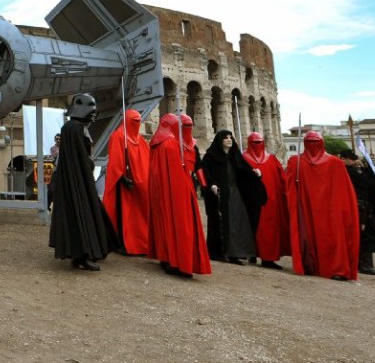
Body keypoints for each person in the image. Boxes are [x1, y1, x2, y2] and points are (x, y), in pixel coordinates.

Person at [49, 93, 119, 270]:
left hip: (77, 179)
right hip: (79, 180)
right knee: (82, 212)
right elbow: (81, 156)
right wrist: (88, 165)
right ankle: (82, 256)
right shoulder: (75, 128)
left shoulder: (71, 127)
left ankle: (81, 254)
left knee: (81, 212)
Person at [285, 132, 359, 281]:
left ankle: (336, 268)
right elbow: (289, 185)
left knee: (332, 236)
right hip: (311, 206)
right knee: (314, 235)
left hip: (328, 207)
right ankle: (323, 267)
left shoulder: (334, 163)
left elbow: (343, 190)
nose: (313, 145)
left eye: (315, 142)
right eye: (310, 142)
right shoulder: (296, 162)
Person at [147, 113, 212, 278]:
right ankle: (176, 261)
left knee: (170, 222)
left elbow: (197, 165)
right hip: (177, 190)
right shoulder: (169, 145)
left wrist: (203, 184)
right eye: (186, 127)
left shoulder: (171, 143)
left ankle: (171, 259)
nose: (189, 130)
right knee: (177, 223)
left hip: (177, 189)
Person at [200, 130, 266, 265]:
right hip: (219, 194)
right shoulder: (210, 157)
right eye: (226, 138)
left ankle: (235, 254)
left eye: (230, 137)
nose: (229, 140)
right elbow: (206, 174)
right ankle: (218, 252)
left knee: (237, 224)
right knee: (220, 223)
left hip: (235, 194)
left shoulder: (235, 156)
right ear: (220, 140)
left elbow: (245, 172)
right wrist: (211, 184)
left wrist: (256, 174)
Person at [102, 108, 150, 256]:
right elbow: (115, 162)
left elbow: (146, 159)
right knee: (123, 215)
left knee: (138, 215)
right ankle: (121, 243)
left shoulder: (139, 139)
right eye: (134, 121)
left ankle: (139, 242)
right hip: (123, 185)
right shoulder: (118, 137)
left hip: (138, 185)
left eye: (139, 121)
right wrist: (122, 177)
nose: (137, 124)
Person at [340, 149, 375, 276]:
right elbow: (367, 183)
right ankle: (365, 265)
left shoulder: (351, 171)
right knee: (367, 235)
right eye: (351, 158)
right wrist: (370, 170)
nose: (354, 160)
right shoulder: (351, 171)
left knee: (364, 234)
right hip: (360, 206)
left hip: (361, 205)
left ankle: (361, 263)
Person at [243, 132, 290, 269]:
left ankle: (267, 257)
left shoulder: (271, 159)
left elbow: (282, 178)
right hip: (251, 200)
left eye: (259, 142)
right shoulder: (243, 158)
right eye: (255, 142)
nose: (257, 145)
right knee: (253, 227)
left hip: (271, 200)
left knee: (269, 229)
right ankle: (253, 252)